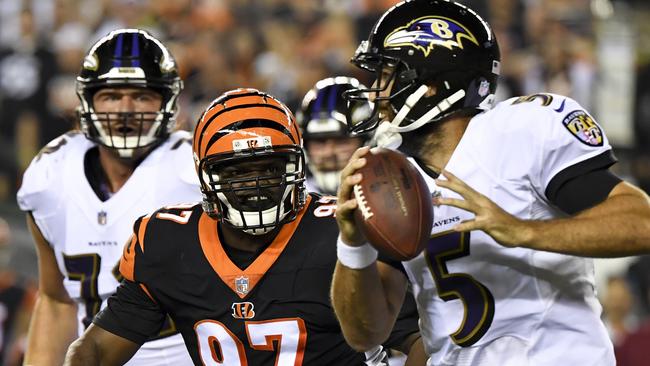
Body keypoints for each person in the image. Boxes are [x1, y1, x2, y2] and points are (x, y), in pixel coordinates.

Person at [329, 1, 650, 365]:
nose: (375, 93)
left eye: (387, 75)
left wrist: (522, 231)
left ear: (430, 84)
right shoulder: (395, 177)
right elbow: (365, 333)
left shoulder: (521, 130)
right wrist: (353, 245)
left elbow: (642, 223)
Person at [62, 88, 423, 365]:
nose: (255, 185)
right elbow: (95, 348)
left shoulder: (339, 231)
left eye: (269, 168)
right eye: (236, 173)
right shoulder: (168, 242)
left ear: (295, 167)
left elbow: (417, 340)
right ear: (204, 176)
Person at [16, 29, 200, 365]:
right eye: (111, 96)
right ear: (88, 101)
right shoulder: (52, 174)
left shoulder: (193, 169)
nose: (126, 110)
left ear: (167, 101)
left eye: (142, 96)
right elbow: (57, 300)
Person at [296, 76, 372, 195]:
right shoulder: (294, 199)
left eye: (341, 141)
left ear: (367, 141)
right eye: (319, 142)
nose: (328, 153)